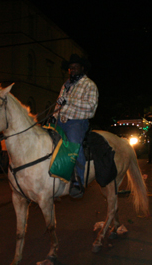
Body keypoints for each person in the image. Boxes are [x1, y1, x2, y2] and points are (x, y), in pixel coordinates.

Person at [53, 54, 99, 198]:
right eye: (70, 68)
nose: (71, 70)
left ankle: (78, 182)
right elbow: (60, 104)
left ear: (82, 68)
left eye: (75, 67)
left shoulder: (89, 84)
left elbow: (91, 107)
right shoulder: (66, 85)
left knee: (74, 146)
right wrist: (55, 115)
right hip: (60, 120)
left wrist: (69, 101)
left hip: (77, 122)